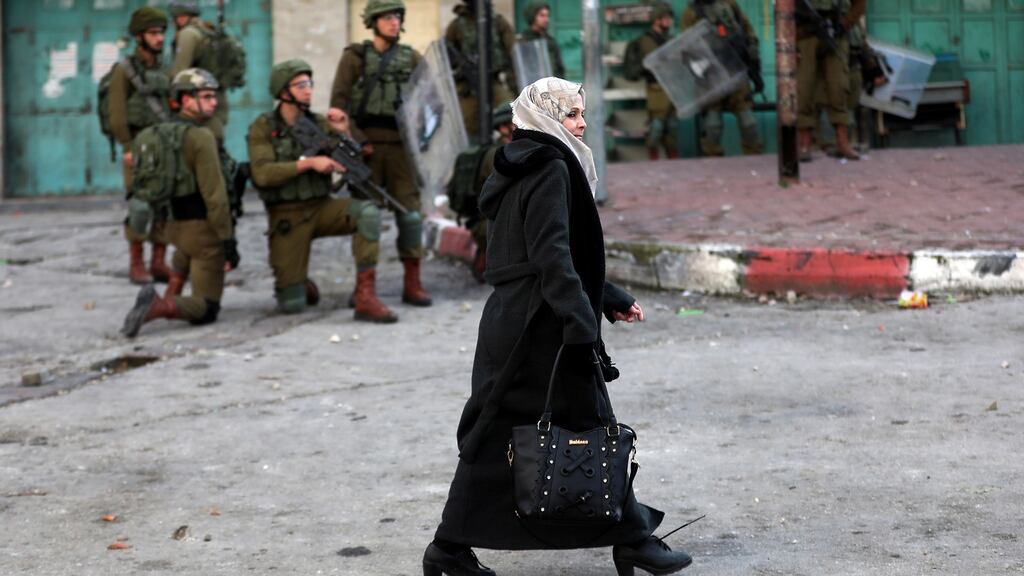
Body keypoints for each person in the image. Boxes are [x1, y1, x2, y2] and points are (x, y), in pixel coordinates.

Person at [424, 77, 692, 576]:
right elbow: (550, 252)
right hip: (542, 325)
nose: (581, 123)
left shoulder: (521, 159)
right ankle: (629, 539)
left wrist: (607, 298)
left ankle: (628, 536)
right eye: (570, 114)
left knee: (549, 425)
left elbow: (546, 251)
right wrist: (579, 321)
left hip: (521, 316)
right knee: (570, 424)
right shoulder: (550, 166)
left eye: (580, 113)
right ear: (546, 117)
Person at [249, 60, 398, 323]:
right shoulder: (263, 127)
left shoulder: (318, 123)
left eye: (310, 84)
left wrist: (345, 134)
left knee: (367, 213)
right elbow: (262, 174)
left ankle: (365, 296)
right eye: (300, 85)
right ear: (283, 91)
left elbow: (354, 159)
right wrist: (309, 164)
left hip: (321, 207)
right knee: (292, 304)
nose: (308, 90)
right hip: (288, 216)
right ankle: (298, 281)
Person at [328, 0, 432, 308]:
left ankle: (412, 283)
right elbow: (337, 107)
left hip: (402, 149)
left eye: (398, 17)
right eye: (387, 17)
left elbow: (428, 100)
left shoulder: (411, 58)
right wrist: (358, 140)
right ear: (373, 21)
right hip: (366, 150)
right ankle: (365, 288)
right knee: (368, 218)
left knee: (411, 216)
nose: (394, 23)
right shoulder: (354, 58)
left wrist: (422, 134)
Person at [121, 68, 239, 338]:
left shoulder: (152, 134)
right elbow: (215, 197)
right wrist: (228, 241)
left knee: (190, 247)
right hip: (200, 230)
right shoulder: (201, 137)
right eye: (206, 96)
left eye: (214, 96)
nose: (214, 102)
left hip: (167, 227)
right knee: (207, 309)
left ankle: (173, 289)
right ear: (185, 100)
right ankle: (160, 305)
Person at [108, 7, 173, 285]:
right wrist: (126, 146)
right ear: (139, 36)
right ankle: (137, 261)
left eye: (161, 33)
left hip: (165, 146)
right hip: (137, 144)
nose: (159, 38)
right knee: (140, 205)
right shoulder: (124, 70)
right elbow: (117, 111)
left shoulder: (166, 68)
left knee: (165, 205)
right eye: (153, 33)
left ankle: (158, 261)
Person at [681, 0, 764, 156]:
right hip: (711, 72)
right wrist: (698, 65)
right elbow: (686, 44)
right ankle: (713, 159)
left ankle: (754, 157)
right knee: (713, 123)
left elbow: (746, 28)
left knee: (748, 121)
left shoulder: (730, 4)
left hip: (735, 68)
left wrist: (752, 47)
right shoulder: (691, 12)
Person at [796, 0, 866, 161]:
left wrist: (844, 24)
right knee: (804, 89)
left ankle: (842, 142)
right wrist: (791, 44)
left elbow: (859, 5)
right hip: (805, 35)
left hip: (836, 35)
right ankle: (804, 144)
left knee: (838, 86)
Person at [445, 0, 518, 135]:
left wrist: (515, 84)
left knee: (511, 114)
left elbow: (514, 54)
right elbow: (445, 58)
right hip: (468, 86)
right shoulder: (456, 26)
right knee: (467, 124)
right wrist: (460, 69)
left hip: (493, 81)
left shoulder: (498, 22)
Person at [167, 0, 238, 135]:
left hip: (199, 104)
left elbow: (179, 73)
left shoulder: (188, 34)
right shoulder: (209, 30)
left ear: (181, 17)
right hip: (217, 100)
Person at [635, 3, 678, 160]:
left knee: (672, 127)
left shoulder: (668, 38)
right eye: (665, 18)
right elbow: (657, 62)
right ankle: (653, 161)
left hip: (671, 87)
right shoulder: (647, 40)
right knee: (657, 126)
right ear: (656, 20)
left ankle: (672, 162)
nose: (669, 21)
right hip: (657, 88)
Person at [519, 1, 566, 79]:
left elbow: (560, 69)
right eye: (542, 15)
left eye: (547, 15)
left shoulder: (551, 42)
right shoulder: (523, 41)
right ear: (532, 16)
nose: (546, 19)